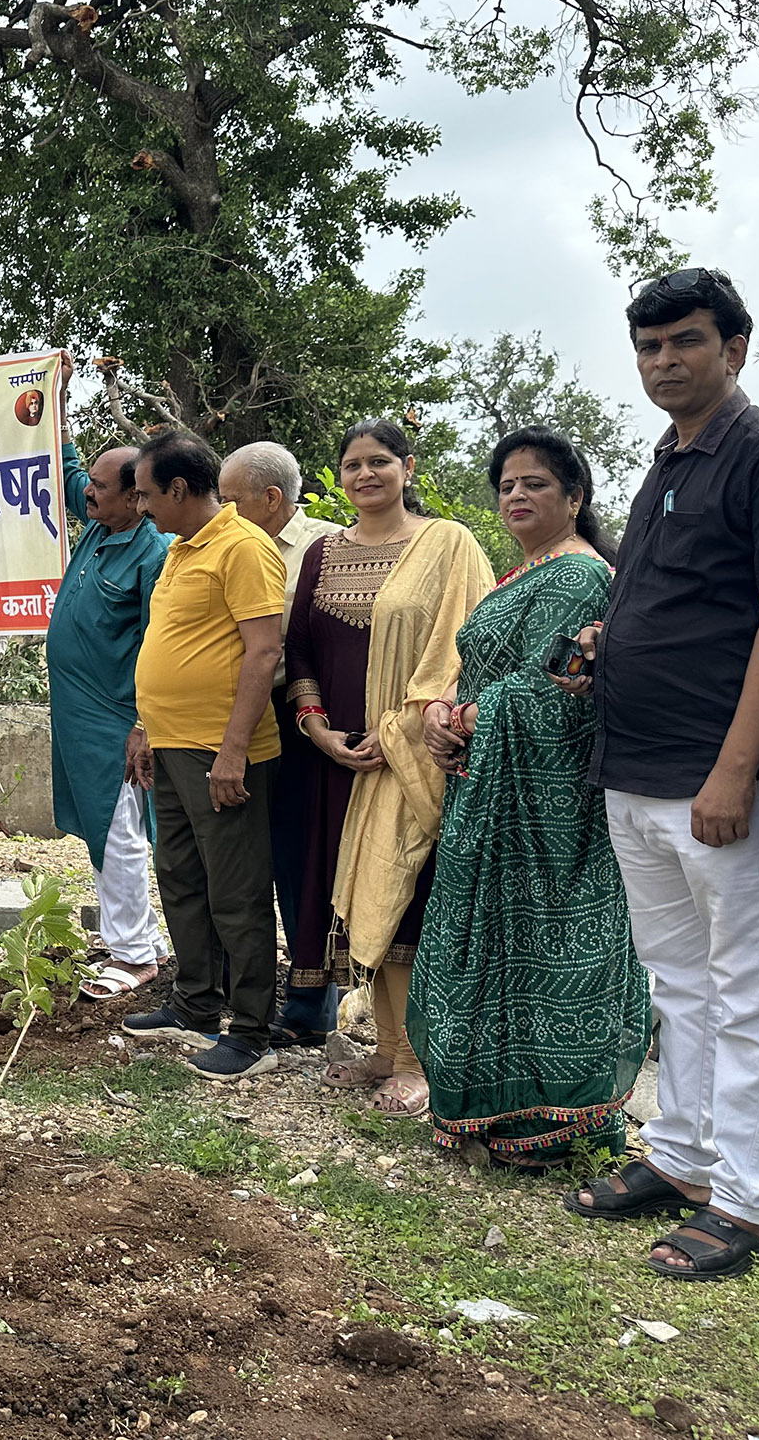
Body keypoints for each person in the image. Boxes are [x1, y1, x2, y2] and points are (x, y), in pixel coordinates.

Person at [562, 268, 759, 1283]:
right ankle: (681, 1157)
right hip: (635, 766)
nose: (664, 362)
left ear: (735, 346)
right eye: (648, 347)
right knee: (678, 982)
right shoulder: (670, 454)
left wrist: (737, 768)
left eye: (684, 342)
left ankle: (753, 1202)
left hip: (720, 778)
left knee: (757, 989)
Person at [413, 428, 650, 1165]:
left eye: (536, 484)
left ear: (575, 497)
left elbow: (560, 687)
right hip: (488, 785)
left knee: (545, 949)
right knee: (485, 945)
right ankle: (489, 1109)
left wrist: (469, 717)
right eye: (507, 484)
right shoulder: (519, 576)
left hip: (548, 808)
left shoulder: (581, 576)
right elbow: (479, 667)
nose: (516, 495)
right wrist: (438, 713)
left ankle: (549, 1124)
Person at [284, 421, 492, 1115]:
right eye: (351, 466)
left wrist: (400, 727)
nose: (365, 475)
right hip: (338, 758)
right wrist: (318, 732)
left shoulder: (447, 545)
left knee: (409, 898)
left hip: (412, 758)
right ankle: (381, 1047)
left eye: (379, 462)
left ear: (408, 468)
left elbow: (470, 645)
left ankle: (414, 1059)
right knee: (356, 895)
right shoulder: (322, 553)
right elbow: (302, 654)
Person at [123, 429, 285, 1079]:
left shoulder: (244, 547)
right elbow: (173, 641)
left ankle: (251, 1033)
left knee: (236, 893)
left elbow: (265, 651)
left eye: (145, 495)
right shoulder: (181, 549)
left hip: (220, 751)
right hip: (171, 742)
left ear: (180, 489)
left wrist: (232, 752)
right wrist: (145, 727)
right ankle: (194, 1004)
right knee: (182, 878)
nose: (141, 507)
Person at [47, 363, 171, 997]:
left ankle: (132, 955)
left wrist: (144, 723)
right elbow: (64, 471)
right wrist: (56, 401)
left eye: (101, 486)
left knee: (120, 826)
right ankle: (140, 937)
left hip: (116, 714)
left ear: (137, 496)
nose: (87, 493)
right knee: (103, 823)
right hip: (74, 711)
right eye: (90, 484)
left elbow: (158, 643)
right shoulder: (100, 523)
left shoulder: (154, 552)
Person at [217, 441, 342, 1041]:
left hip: (297, 719)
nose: (222, 511)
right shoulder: (221, 545)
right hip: (230, 718)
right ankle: (243, 989)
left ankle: (309, 1003)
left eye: (231, 500)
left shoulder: (329, 549)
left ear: (271, 499)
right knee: (245, 859)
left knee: (301, 860)